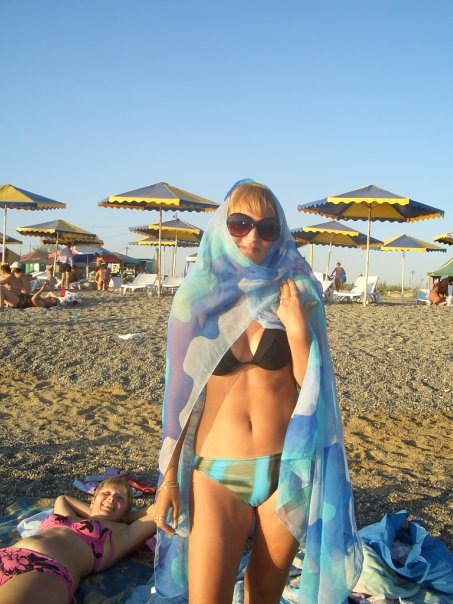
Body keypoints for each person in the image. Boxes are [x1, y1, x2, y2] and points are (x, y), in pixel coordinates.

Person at [154, 180, 362, 604]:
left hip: (287, 467)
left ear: (279, 233)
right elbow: (179, 398)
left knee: (264, 595)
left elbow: (311, 385)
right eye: (240, 224)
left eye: (267, 228)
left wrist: (297, 328)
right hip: (217, 474)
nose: (253, 236)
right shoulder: (197, 299)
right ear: (222, 227)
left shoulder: (297, 290)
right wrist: (168, 479)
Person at [0, 477, 157, 604]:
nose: (111, 499)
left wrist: (126, 518)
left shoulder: (121, 533)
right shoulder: (70, 517)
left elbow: (158, 511)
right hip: (8, 554)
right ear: (92, 500)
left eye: (120, 498)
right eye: (106, 493)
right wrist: (96, 515)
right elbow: (63, 499)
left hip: (45, 569)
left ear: (126, 511)